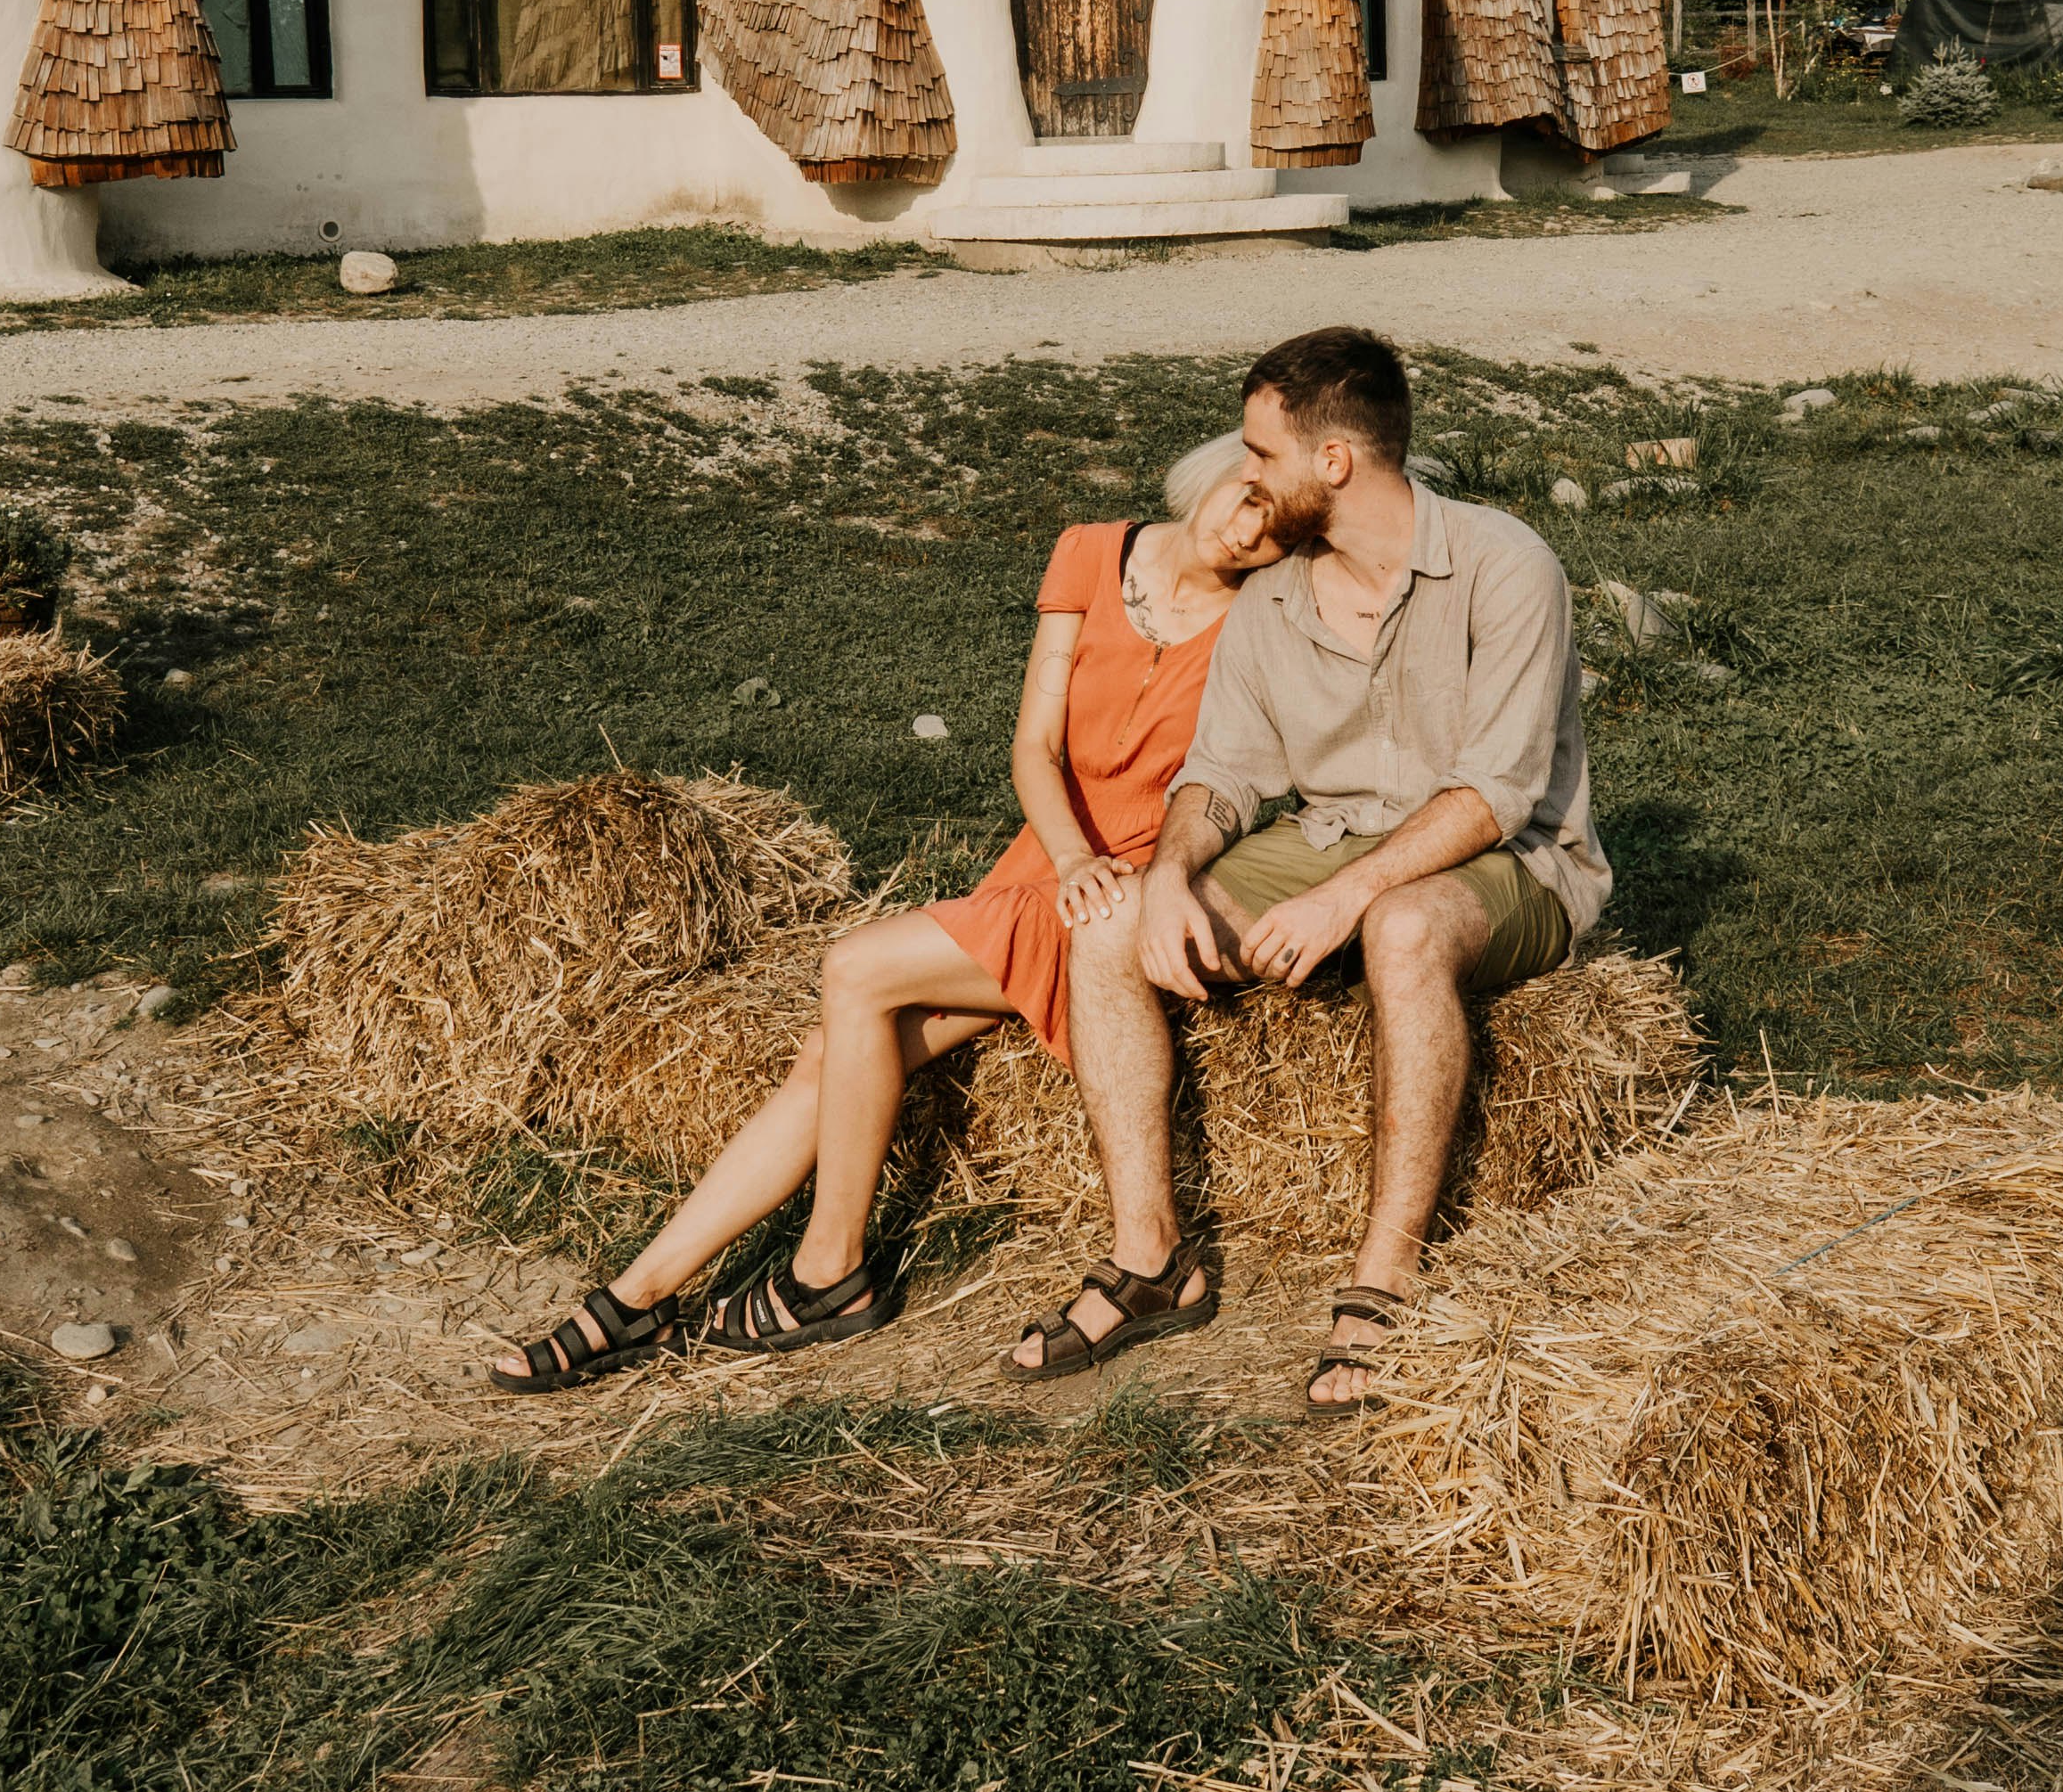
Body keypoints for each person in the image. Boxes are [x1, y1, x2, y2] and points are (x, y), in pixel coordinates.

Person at [489, 435, 1273, 1387]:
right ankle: (636, 1297)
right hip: (1046, 869)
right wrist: (1066, 857)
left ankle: (828, 1272)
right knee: (834, 1049)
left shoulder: (1264, 624)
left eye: (1280, 523)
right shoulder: (1091, 552)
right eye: (1246, 494)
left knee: (855, 969)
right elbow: (1034, 747)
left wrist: (1101, 878)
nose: (1251, 526)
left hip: (1121, 895)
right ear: (1215, 470)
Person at [1010, 323, 1604, 1416]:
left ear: (1334, 461)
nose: (1244, 475)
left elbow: (1498, 791)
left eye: (1260, 452)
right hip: (1331, 835)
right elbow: (1221, 774)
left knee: (1403, 929)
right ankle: (1150, 1260)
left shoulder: (1505, 565)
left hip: (1511, 859)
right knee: (1106, 929)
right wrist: (1175, 876)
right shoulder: (1275, 596)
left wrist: (1349, 894)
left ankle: (1386, 1274)